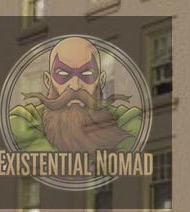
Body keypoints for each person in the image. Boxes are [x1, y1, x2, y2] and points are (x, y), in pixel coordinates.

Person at [8, 36, 144, 153]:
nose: (75, 85)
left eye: (86, 74)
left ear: (101, 80)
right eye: (63, 74)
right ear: (48, 81)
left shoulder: (128, 122)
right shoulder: (22, 119)